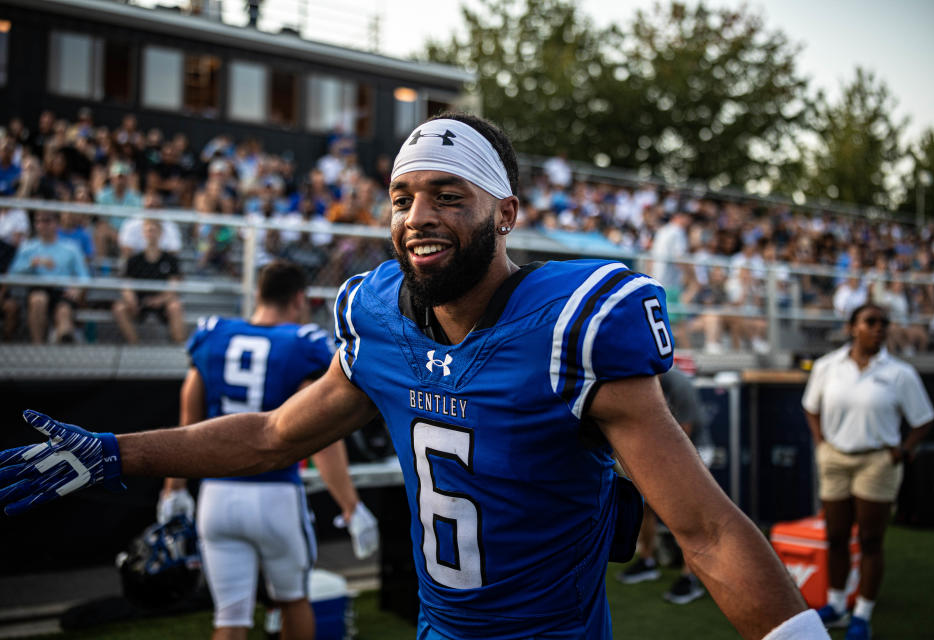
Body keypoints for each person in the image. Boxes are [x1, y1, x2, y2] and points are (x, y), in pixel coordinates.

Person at [0, 113, 826, 640]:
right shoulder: (380, 321)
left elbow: (708, 531)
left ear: (505, 213)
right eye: (400, 198)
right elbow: (269, 436)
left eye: (446, 195)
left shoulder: (571, 327)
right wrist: (113, 452)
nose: (417, 217)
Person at [156, 260, 378, 640]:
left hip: (217, 495)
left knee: (229, 616)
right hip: (276, 494)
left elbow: (187, 419)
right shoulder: (303, 342)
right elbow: (320, 433)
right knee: (293, 601)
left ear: (258, 294)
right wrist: (350, 504)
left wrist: (173, 486)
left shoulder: (213, 333)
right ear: (298, 298)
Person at [802, 303, 934, 640]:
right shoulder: (827, 366)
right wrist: (820, 443)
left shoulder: (900, 372)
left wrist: (904, 450)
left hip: (877, 462)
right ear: (852, 328)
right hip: (834, 458)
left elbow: (923, 419)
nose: (879, 328)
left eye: (883, 323)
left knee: (871, 541)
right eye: (870, 322)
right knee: (836, 537)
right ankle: (835, 605)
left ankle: (862, 613)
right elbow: (811, 407)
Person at [617, 366, 711, 606]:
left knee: (684, 513)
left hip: (692, 450)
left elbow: (684, 434)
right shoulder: (634, 379)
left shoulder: (678, 383)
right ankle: (647, 560)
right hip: (656, 450)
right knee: (644, 506)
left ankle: (690, 577)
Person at [7, 211, 90, 343]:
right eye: (38, 221)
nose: (42, 225)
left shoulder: (71, 248)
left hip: (62, 291)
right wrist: (31, 264)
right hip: (38, 289)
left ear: (56, 224)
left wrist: (77, 288)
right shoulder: (27, 248)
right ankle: (38, 347)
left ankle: (63, 343)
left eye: (46, 221)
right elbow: (12, 275)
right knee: (38, 299)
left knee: (64, 311)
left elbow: (84, 276)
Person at [111, 219, 186, 345]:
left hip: (162, 302)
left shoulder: (170, 260)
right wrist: (130, 299)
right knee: (119, 308)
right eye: (148, 230)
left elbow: (174, 286)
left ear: (161, 233)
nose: (151, 234)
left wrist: (160, 300)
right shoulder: (134, 260)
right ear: (143, 233)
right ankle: (135, 345)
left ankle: (179, 346)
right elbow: (126, 284)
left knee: (175, 307)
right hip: (140, 301)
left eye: (154, 230)